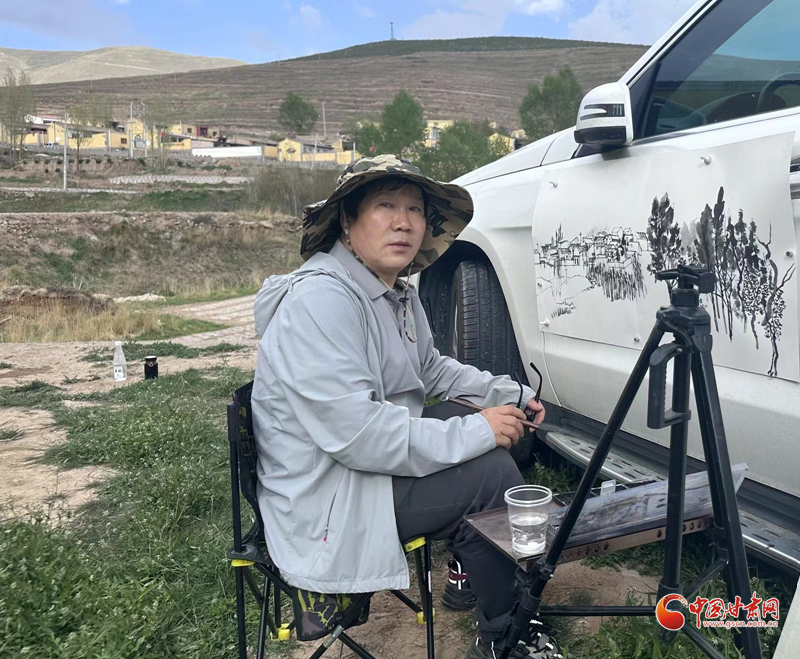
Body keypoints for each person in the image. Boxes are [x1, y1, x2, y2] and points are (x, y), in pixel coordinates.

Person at [251, 154, 561, 659]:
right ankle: (506, 635)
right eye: (386, 206)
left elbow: (430, 370)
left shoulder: (393, 291)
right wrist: (480, 430)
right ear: (347, 220)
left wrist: (507, 395)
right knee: (490, 474)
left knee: (484, 427)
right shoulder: (321, 301)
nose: (404, 222)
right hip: (329, 495)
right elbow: (359, 436)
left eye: (415, 209)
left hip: (358, 469)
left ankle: (470, 566)